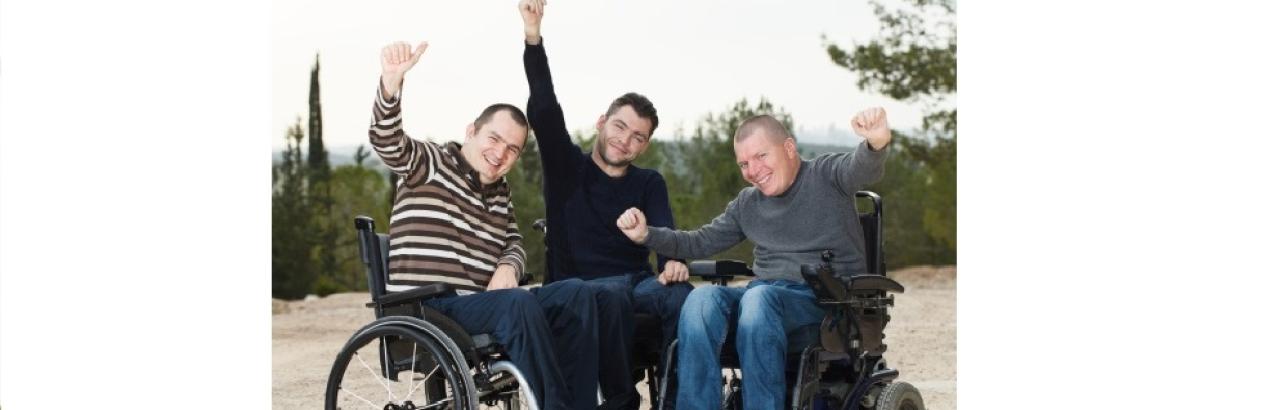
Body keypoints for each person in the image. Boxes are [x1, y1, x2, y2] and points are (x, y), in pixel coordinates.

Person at [369, 40, 602, 410]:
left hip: (479, 306)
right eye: (494, 138)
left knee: (578, 293)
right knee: (516, 306)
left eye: (512, 149)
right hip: (427, 309)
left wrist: (509, 265)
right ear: (471, 131)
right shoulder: (430, 162)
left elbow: (513, 240)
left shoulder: (499, 192)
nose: (500, 153)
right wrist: (391, 84)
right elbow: (387, 142)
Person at [615, 109, 893, 410]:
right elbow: (699, 241)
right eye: (744, 164)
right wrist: (647, 235)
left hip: (827, 303)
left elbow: (861, 169)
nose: (753, 170)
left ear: (788, 148)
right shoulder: (748, 203)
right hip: (762, 302)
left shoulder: (826, 176)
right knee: (701, 300)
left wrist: (876, 142)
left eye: (761, 156)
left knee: (759, 298)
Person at [518, 1, 694, 408]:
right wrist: (533, 37)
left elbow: (665, 236)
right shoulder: (567, 168)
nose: (625, 140)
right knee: (610, 296)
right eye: (620, 126)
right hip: (577, 289)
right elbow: (544, 108)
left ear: (645, 144)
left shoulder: (650, 182)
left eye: (637, 136)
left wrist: (672, 261)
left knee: (683, 295)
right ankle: (620, 402)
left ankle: (673, 399)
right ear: (601, 122)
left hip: (636, 285)